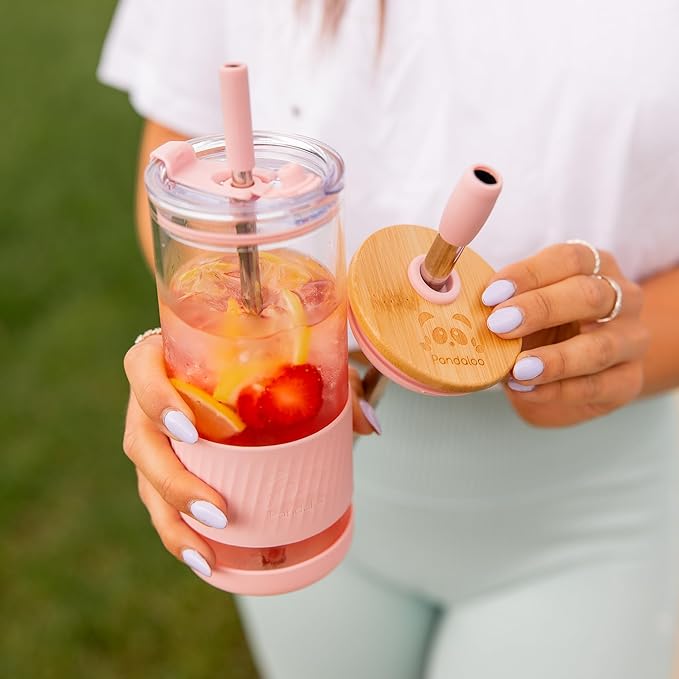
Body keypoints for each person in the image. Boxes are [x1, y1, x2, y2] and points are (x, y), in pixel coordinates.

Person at [99, 1, 679, 677]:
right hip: (286, 492)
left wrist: (635, 338)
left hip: (586, 517)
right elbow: (181, 141)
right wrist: (214, 357)